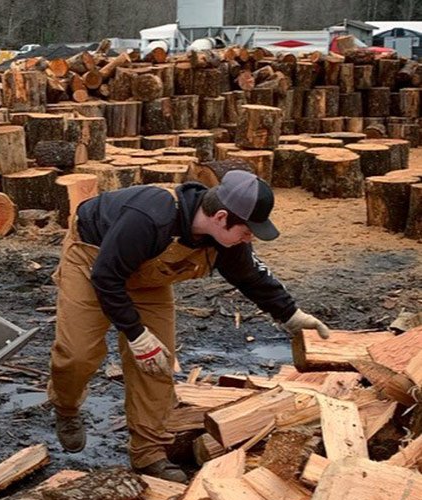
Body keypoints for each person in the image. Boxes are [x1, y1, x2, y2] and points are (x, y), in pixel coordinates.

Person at [47, 170, 330, 483]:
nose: (249, 239)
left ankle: (148, 453)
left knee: (157, 363)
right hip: (94, 264)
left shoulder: (225, 241)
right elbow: (106, 277)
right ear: (221, 217)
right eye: (247, 231)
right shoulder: (149, 216)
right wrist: (136, 334)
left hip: (147, 280)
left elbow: (250, 276)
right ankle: (67, 407)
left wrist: (290, 314)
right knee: (77, 354)